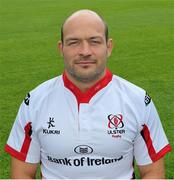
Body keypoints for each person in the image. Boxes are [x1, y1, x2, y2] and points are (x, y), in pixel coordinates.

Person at [5, 9, 172, 179]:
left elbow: (153, 173)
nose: (85, 51)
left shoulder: (138, 100)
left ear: (109, 47)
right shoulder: (34, 101)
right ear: (61, 48)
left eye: (94, 41)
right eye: (74, 42)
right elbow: (22, 174)